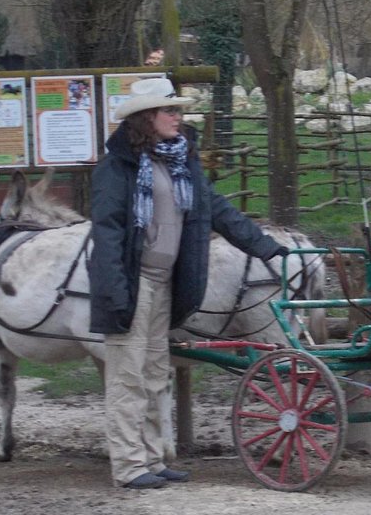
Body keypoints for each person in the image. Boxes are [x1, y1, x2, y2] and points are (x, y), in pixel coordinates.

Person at [89, 77, 290, 489]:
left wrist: (265, 247)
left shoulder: (180, 162)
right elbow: (107, 234)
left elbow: (217, 209)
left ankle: (151, 459)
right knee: (127, 374)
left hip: (165, 282)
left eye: (178, 110)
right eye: (170, 111)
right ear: (147, 117)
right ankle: (128, 466)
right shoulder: (117, 168)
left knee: (155, 371)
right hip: (132, 282)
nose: (178, 118)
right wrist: (116, 293)